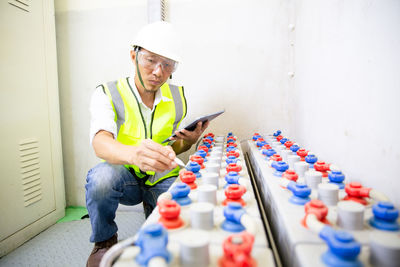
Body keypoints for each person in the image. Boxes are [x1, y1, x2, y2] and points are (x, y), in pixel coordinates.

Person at [85, 21, 209, 267]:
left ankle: (154, 212)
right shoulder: (108, 92)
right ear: (134, 56)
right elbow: (101, 143)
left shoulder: (177, 96)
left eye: (167, 64)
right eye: (150, 60)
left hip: (162, 176)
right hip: (125, 176)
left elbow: (173, 147)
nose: (158, 72)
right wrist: (134, 155)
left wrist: (189, 142)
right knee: (100, 179)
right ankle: (104, 241)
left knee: (183, 205)